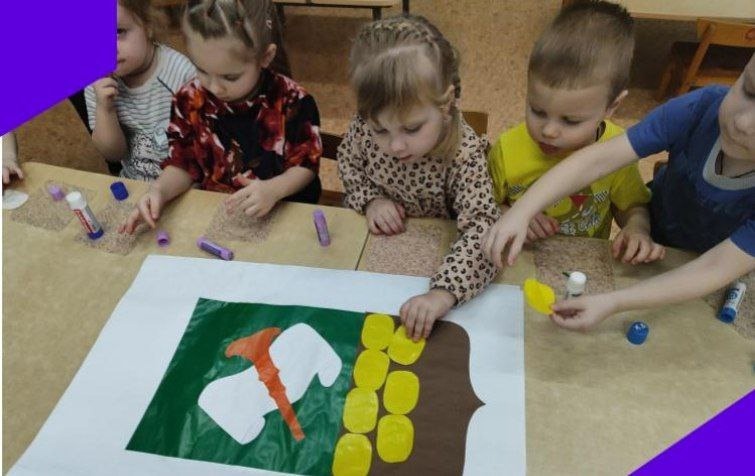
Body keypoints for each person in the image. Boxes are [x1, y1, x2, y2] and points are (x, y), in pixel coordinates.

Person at [483, 53, 755, 331]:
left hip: (719, 267)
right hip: (655, 241)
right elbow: (598, 159)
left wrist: (613, 302)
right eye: (748, 89)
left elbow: (715, 268)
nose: (742, 123)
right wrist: (522, 211)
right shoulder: (700, 107)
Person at [338, 14, 500, 341]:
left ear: (446, 104)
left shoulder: (464, 153)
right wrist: (371, 200)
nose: (395, 146)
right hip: (377, 260)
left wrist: (443, 293)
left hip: (438, 262)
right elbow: (348, 163)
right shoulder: (366, 126)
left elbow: (484, 228)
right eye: (381, 130)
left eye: (411, 129)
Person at [121, 0, 322, 233]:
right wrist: (159, 190)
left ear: (265, 57)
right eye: (202, 70)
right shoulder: (189, 98)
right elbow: (184, 163)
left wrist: (273, 190)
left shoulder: (293, 101)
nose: (215, 88)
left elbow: (306, 165)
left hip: (286, 212)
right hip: (221, 214)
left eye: (230, 77)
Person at [488, 0, 663, 264]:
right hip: (519, 261)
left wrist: (637, 229)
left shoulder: (617, 150)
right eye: (537, 110)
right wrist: (508, 212)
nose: (548, 131)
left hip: (583, 265)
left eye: (571, 121)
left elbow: (632, 206)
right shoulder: (507, 148)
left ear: (612, 106)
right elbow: (482, 202)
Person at [85, 0, 195, 180]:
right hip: (135, 182)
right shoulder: (97, 82)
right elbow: (114, 154)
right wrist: (105, 109)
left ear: (148, 25)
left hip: (185, 183)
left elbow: (204, 151)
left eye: (118, 32)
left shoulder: (181, 74)